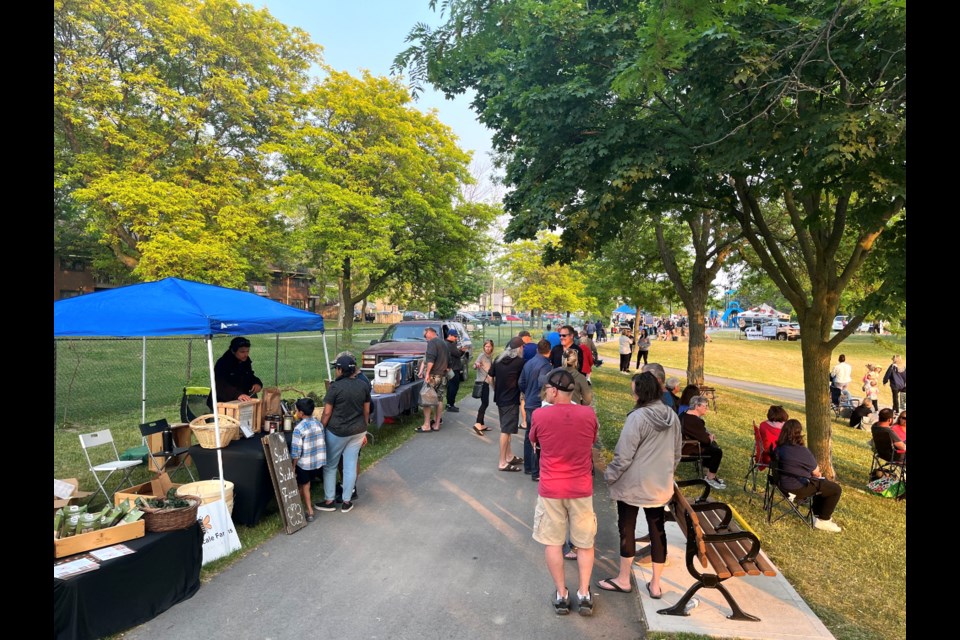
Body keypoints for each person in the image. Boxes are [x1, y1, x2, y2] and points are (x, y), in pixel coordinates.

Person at [599, 372, 682, 598]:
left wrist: (609, 475)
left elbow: (623, 455)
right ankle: (656, 584)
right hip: (659, 486)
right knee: (658, 531)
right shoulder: (671, 416)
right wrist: (666, 473)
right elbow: (677, 452)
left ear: (640, 391)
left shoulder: (637, 417)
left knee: (627, 528)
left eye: (633, 388)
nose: (631, 392)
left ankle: (623, 579)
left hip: (633, 486)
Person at [529, 368, 599, 616]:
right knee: (584, 543)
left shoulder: (539, 415)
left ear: (554, 390)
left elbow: (534, 441)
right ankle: (584, 593)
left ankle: (561, 594)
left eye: (548, 388)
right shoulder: (588, 414)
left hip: (551, 488)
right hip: (581, 488)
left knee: (553, 542)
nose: (546, 392)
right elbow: (591, 440)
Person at [315, 354, 371, 514]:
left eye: (336, 369)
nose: (335, 371)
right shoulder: (363, 385)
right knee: (350, 465)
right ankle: (346, 501)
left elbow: (326, 413)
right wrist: (364, 428)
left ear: (340, 369)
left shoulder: (335, 387)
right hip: (358, 431)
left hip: (337, 431)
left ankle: (330, 500)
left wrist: (321, 428)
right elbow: (366, 410)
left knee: (330, 465)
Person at [772, 419, 843, 533]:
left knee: (821, 485)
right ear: (799, 433)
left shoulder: (779, 448)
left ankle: (817, 514)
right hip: (797, 488)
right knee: (835, 489)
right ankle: (823, 520)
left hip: (782, 485)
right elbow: (816, 471)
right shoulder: (802, 451)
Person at [490, 337, 526, 471]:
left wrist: (495, 388)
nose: (523, 349)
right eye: (522, 347)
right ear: (519, 349)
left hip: (500, 399)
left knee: (507, 429)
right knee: (505, 431)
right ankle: (502, 462)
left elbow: (489, 377)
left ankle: (509, 456)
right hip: (510, 400)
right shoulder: (520, 362)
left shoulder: (498, 359)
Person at [519, 339, 553, 477]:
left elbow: (521, 382)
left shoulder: (528, 363)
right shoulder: (546, 366)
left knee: (529, 434)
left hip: (529, 401)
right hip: (539, 403)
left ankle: (528, 466)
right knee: (538, 437)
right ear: (549, 351)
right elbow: (542, 383)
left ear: (537, 349)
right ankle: (536, 470)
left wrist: (527, 393)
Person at [290, 397, 325, 523]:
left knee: (305, 485)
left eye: (297, 411)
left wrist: (293, 466)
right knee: (304, 484)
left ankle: (309, 511)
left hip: (305, 463)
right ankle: (296, 503)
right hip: (318, 462)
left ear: (301, 413)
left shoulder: (299, 429)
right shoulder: (318, 423)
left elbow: (296, 452)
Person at [681, 396, 726, 489]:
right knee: (717, 451)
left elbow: (698, 433)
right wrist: (710, 438)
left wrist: (707, 436)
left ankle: (709, 473)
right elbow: (705, 441)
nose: (707, 409)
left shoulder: (685, 414)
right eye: (705, 406)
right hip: (688, 448)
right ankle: (710, 478)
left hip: (684, 444)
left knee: (713, 447)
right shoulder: (694, 421)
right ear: (697, 406)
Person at [208, 336, 263, 409]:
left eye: (247, 351)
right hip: (221, 403)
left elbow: (249, 375)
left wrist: (257, 383)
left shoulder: (245, 361)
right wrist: (238, 395)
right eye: (242, 352)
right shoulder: (223, 363)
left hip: (239, 402)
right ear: (233, 351)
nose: (246, 354)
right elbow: (220, 385)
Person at [415, 326, 448, 433]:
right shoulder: (444, 343)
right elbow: (449, 362)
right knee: (439, 400)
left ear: (430, 332)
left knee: (427, 399)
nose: (425, 338)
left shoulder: (432, 343)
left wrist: (427, 373)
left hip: (433, 376)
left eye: (425, 336)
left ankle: (427, 425)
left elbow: (430, 360)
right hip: (442, 375)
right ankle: (437, 424)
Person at [472, 339, 495, 435]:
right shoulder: (482, 356)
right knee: (485, 403)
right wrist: (476, 365)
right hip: (482, 382)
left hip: (486, 382)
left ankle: (482, 424)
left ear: (492, 347)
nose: (487, 348)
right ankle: (478, 423)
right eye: (486, 346)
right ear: (484, 347)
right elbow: (475, 365)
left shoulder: (490, 357)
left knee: (485, 403)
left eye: (489, 346)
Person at [444, 329, 465, 413]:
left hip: (451, 368)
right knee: (453, 387)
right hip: (454, 369)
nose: (456, 338)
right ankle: (450, 405)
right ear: (450, 335)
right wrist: (462, 351)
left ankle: (449, 404)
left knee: (450, 387)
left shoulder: (447, 343)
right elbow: (457, 354)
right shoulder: (450, 345)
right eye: (455, 336)